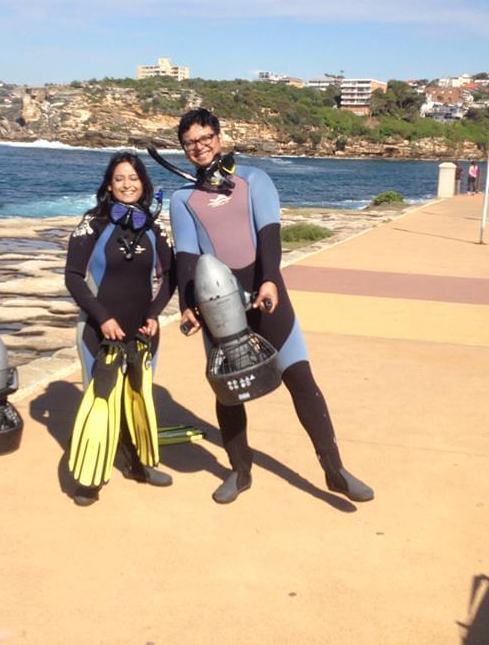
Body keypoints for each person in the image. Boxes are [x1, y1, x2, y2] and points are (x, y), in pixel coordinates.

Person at [167, 108, 373, 505]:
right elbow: (187, 258)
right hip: (218, 305)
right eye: (190, 142)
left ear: (220, 138)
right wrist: (186, 304)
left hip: (267, 293)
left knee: (300, 378)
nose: (200, 146)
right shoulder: (183, 199)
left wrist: (269, 279)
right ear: (184, 149)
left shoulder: (253, 180)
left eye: (206, 137)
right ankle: (240, 472)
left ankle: (334, 469)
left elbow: (269, 236)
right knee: (229, 393)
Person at [64, 152, 176, 506]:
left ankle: (140, 464)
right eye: (119, 179)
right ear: (109, 185)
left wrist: (156, 313)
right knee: (100, 404)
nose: (127, 184)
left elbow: (169, 275)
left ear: (144, 183)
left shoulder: (153, 226)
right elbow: (73, 277)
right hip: (99, 329)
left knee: (139, 399)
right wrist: (102, 317)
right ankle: (89, 477)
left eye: (134, 178)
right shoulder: (92, 224)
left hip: (143, 330)